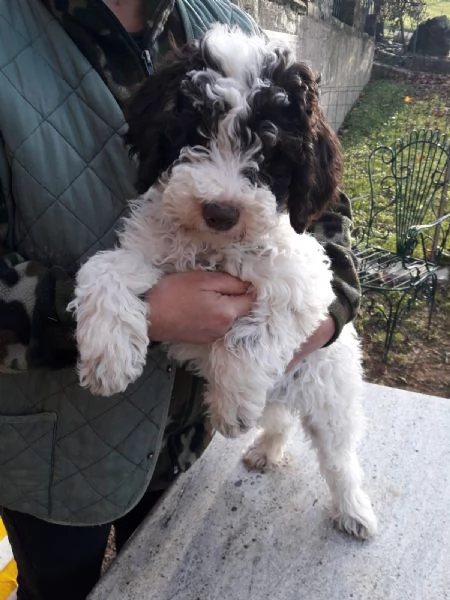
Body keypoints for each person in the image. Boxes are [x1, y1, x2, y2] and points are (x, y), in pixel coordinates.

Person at [0, 1, 360, 598]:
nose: (223, 192)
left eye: (255, 160)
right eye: (198, 145)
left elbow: (325, 216)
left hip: (191, 449)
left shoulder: (231, 26)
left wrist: (321, 321)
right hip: (49, 463)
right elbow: (126, 269)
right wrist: (151, 314)